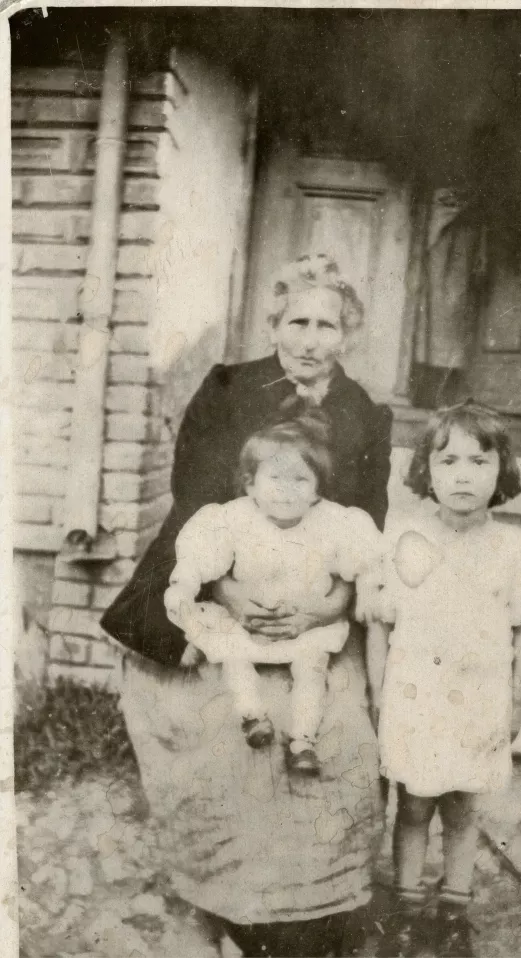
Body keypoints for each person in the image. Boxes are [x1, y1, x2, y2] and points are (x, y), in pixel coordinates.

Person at [101, 254, 392, 957]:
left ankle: (309, 903)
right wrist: (226, 588)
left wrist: (330, 605)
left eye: (328, 324)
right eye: (298, 321)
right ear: (274, 323)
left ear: (347, 332)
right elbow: (194, 492)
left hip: (317, 590)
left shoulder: (367, 414)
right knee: (208, 720)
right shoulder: (228, 387)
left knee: (331, 726)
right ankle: (226, 894)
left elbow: (367, 521)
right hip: (218, 570)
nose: (312, 338)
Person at [367, 400, 521, 958]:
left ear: (502, 472)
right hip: (414, 698)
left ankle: (453, 909)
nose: (463, 476)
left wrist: (517, 701)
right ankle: (404, 909)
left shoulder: (513, 548)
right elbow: (380, 622)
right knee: (415, 806)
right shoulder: (403, 538)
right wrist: (379, 695)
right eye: (448, 462)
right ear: (426, 470)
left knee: (463, 809)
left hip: (479, 700)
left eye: (479, 462)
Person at [164, 414, 383, 776]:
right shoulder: (234, 519)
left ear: (316, 490)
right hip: (247, 620)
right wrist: (183, 586)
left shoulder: (334, 522)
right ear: (250, 485)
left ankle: (302, 740)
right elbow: (199, 557)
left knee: (312, 669)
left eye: (300, 480)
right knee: (233, 655)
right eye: (275, 478)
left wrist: (371, 589)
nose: (286, 490)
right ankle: (252, 715)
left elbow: (367, 559)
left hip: (306, 624)